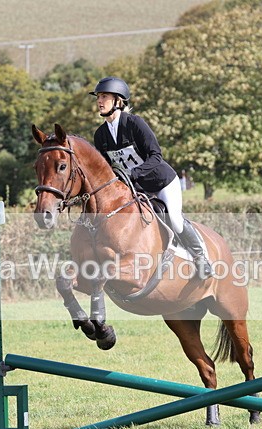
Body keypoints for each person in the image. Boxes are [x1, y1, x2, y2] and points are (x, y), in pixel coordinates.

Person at [90, 76, 212, 278]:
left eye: (104, 96)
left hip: (161, 182)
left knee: (174, 219)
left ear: (118, 101)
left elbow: (156, 156)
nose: (99, 101)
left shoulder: (135, 123)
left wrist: (133, 173)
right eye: (98, 97)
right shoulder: (100, 135)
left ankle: (201, 259)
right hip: (135, 189)